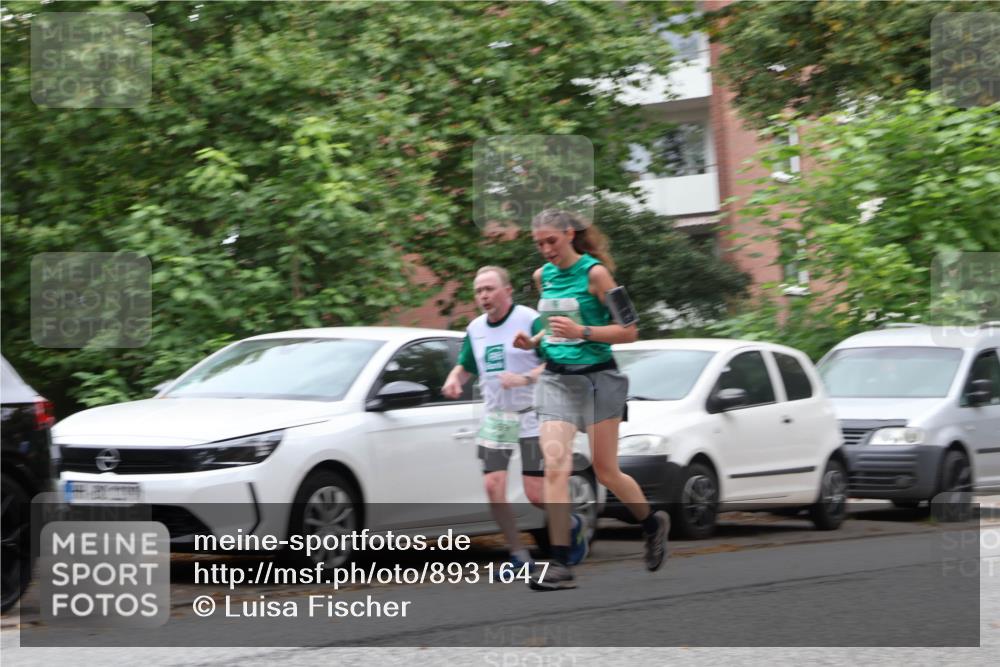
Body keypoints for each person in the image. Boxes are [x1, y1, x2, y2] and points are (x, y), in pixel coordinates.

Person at [514, 208, 669, 591]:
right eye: (539, 244)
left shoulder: (596, 274)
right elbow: (553, 324)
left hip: (599, 380)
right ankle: (562, 563)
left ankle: (652, 524)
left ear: (569, 233)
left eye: (552, 240)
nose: (546, 250)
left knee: (605, 471)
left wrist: (583, 330)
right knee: (555, 467)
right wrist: (533, 341)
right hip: (556, 380)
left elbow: (630, 331)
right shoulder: (542, 276)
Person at [443, 266, 588, 568]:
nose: (483, 295)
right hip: (497, 418)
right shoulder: (475, 329)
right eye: (479, 290)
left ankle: (571, 524)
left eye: (490, 289)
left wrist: (524, 378)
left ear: (507, 291)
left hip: (532, 416)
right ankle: (518, 554)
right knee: (493, 486)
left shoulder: (530, 320)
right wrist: (455, 377)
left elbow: (556, 361)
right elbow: (466, 364)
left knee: (536, 493)